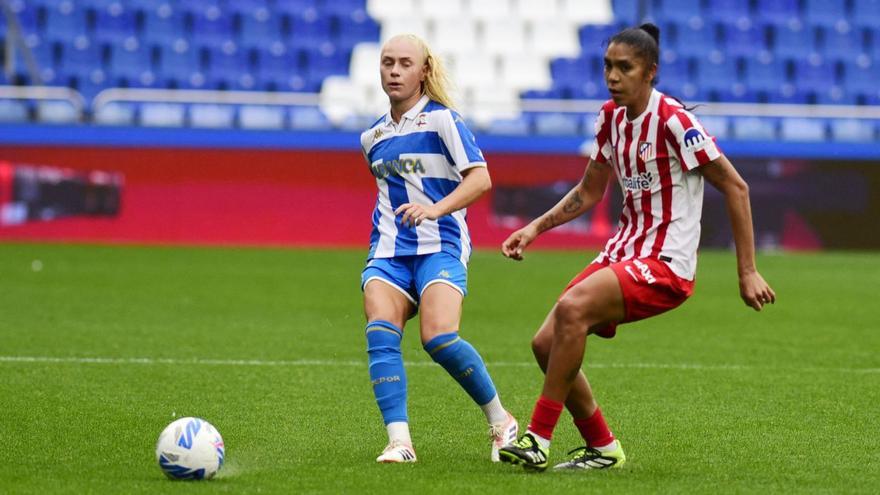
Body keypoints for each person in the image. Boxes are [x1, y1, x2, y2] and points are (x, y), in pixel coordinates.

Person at [498, 23, 776, 471]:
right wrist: (533, 229)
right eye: (607, 66)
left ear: (650, 72)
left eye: (624, 67)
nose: (612, 76)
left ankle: (537, 438)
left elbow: (736, 187)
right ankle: (602, 447)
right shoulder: (609, 118)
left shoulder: (675, 121)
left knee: (572, 310)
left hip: (666, 263)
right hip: (625, 251)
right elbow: (588, 193)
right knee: (545, 344)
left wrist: (746, 271)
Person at [359, 34, 518, 463]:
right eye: (387, 62)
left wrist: (435, 209)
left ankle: (501, 421)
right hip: (389, 252)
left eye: (404, 63)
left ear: (423, 71)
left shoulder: (443, 121)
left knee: (439, 337)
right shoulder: (371, 136)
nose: (394, 70)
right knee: (380, 332)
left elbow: (480, 179)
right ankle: (399, 442)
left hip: (441, 245)